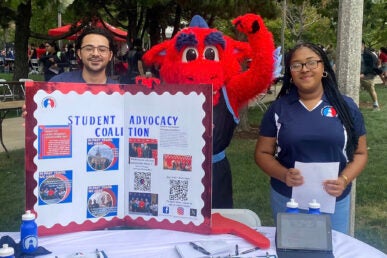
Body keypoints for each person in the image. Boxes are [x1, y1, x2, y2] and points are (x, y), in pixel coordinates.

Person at [254, 42, 368, 235]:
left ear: (323, 67)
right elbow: (262, 153)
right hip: (288, 200)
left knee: (332, 251)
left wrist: (344, 179)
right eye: (296, 65)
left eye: (311, 63)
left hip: (333, 201)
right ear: (291, 73)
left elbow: (360, 152)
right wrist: (283, 175)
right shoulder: (279, 108)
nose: (304, 69)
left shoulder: (346, 107)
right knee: (292, 251)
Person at [49, 27, 117, 84]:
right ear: (79, 53)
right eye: (89, 49)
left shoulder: (120, 93)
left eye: (102, 49)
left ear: (110, 55)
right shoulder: (58, 83)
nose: (95, 54)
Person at [360, 40, 380, 111]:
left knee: (371, 89)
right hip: (358, 75)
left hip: (368, 75)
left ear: (363, 45)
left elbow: (373, 66)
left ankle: (376, 104)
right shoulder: (355, 53)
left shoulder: (369, 54)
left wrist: (364, 74)